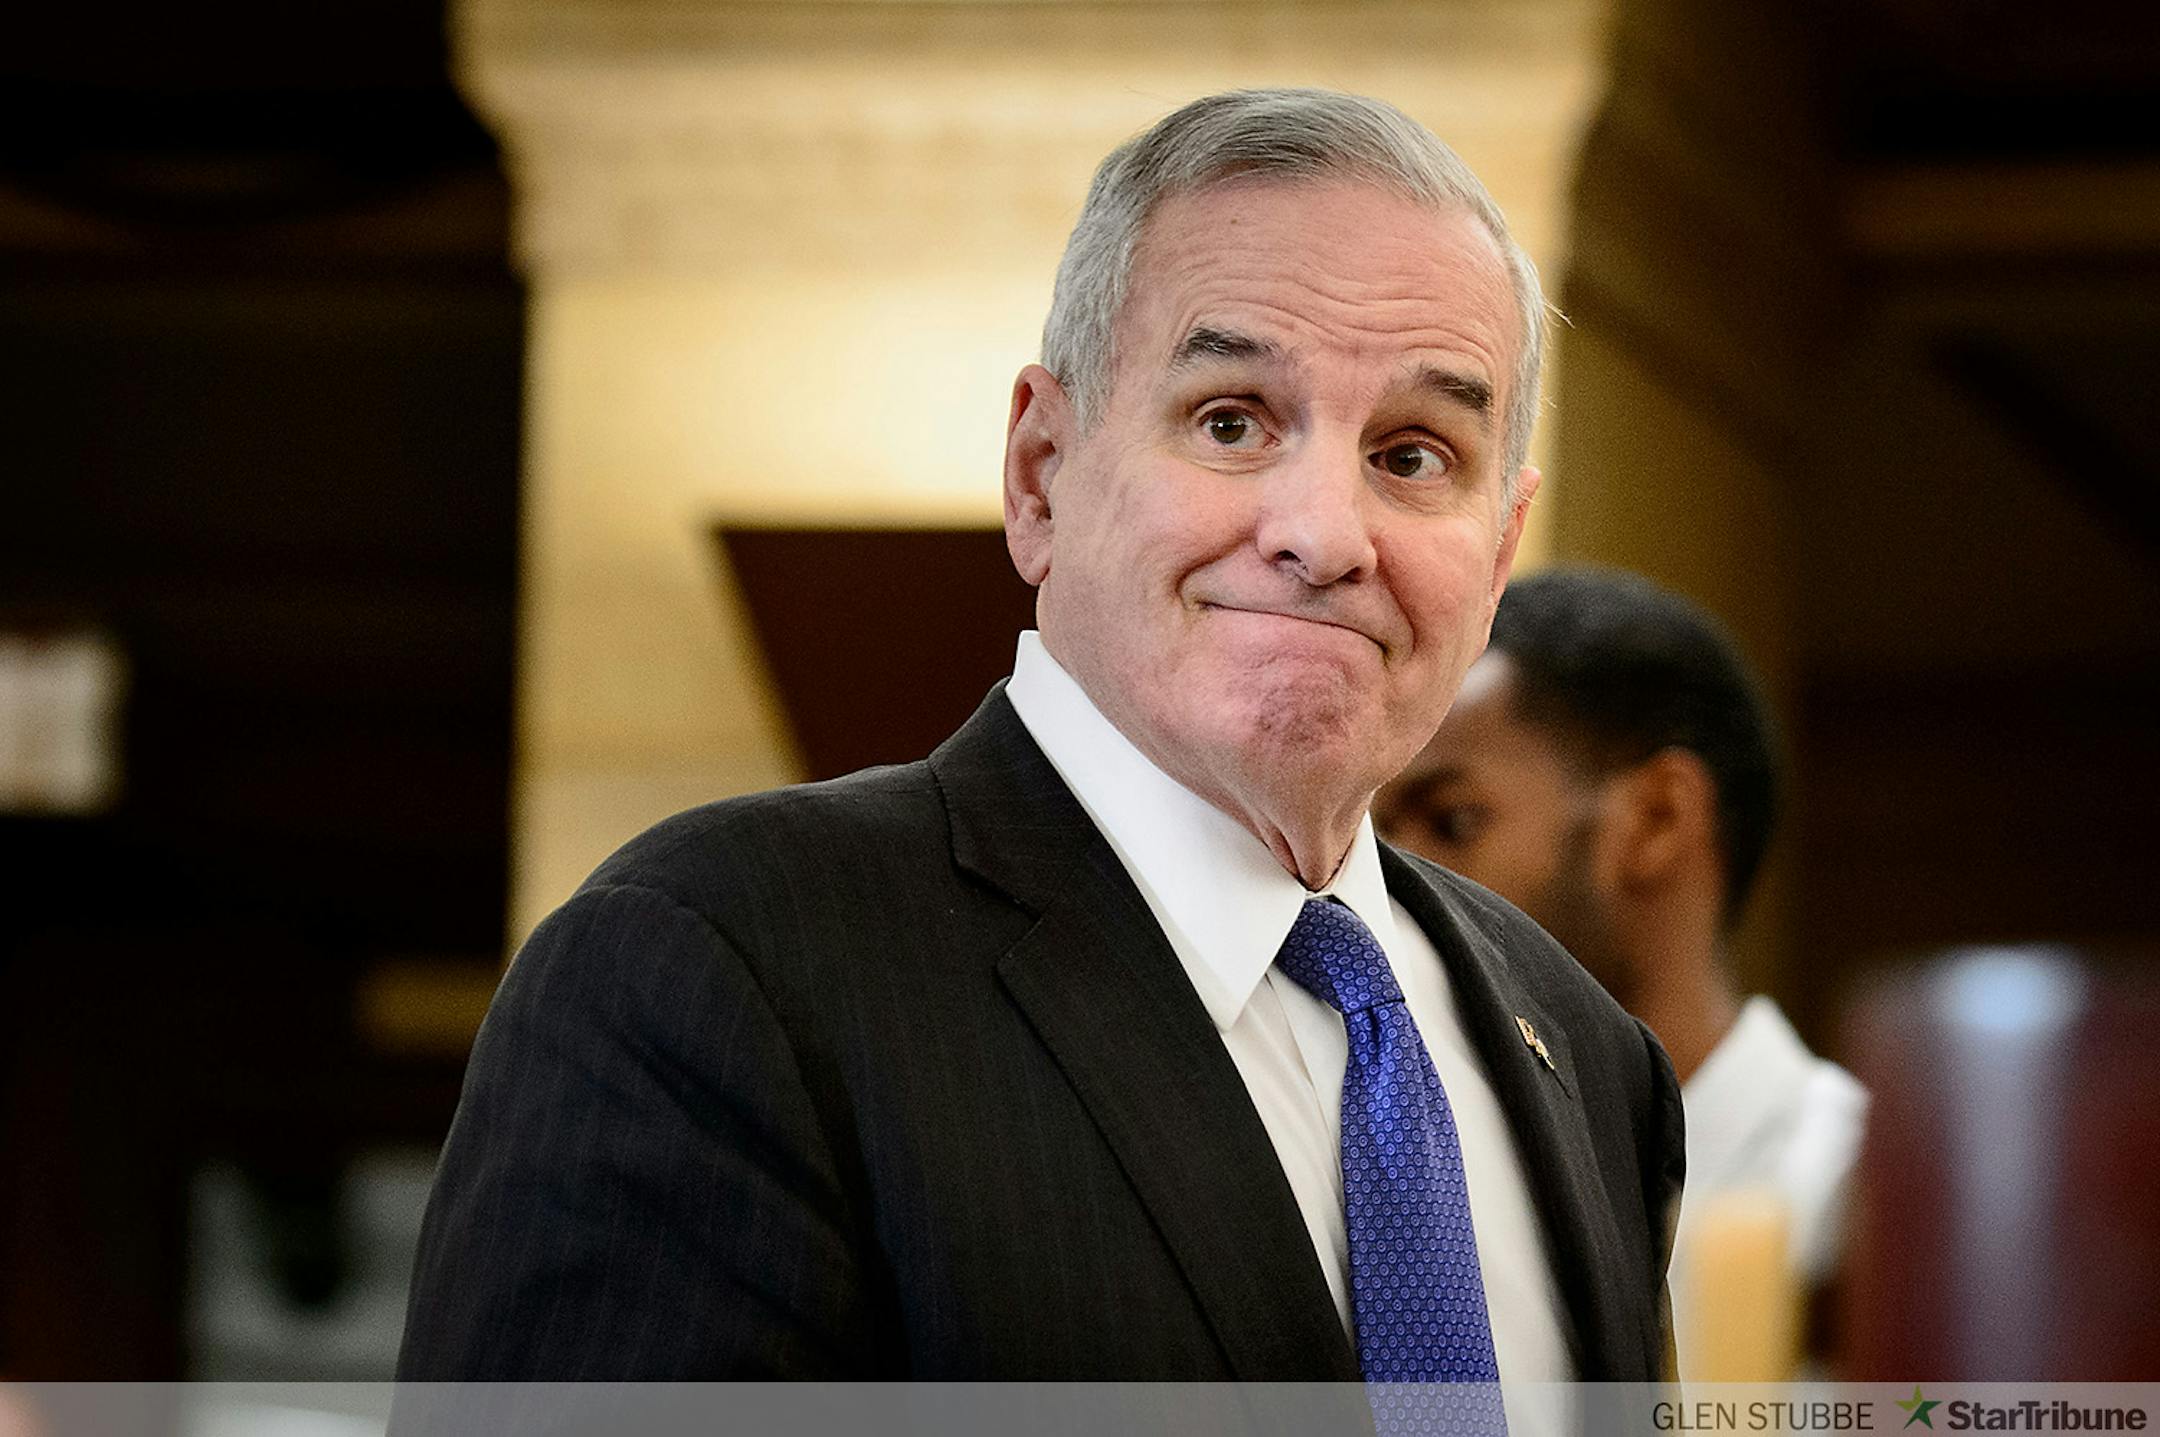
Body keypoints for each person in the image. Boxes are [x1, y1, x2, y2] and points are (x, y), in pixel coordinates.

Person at [397, 89, 1682, 1392]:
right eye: (1231, 419)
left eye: (1414, 454)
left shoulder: (1588, 1053)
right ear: (1040, 472)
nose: (1326, 533)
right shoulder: (719, 969)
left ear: (1502, 548)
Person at [1375, 566, 1868, 1375]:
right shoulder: (1409, 1176)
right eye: (1381, 835)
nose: (1395, 880)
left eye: (1453, 820)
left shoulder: (1856, 1199)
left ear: (1657, 819)